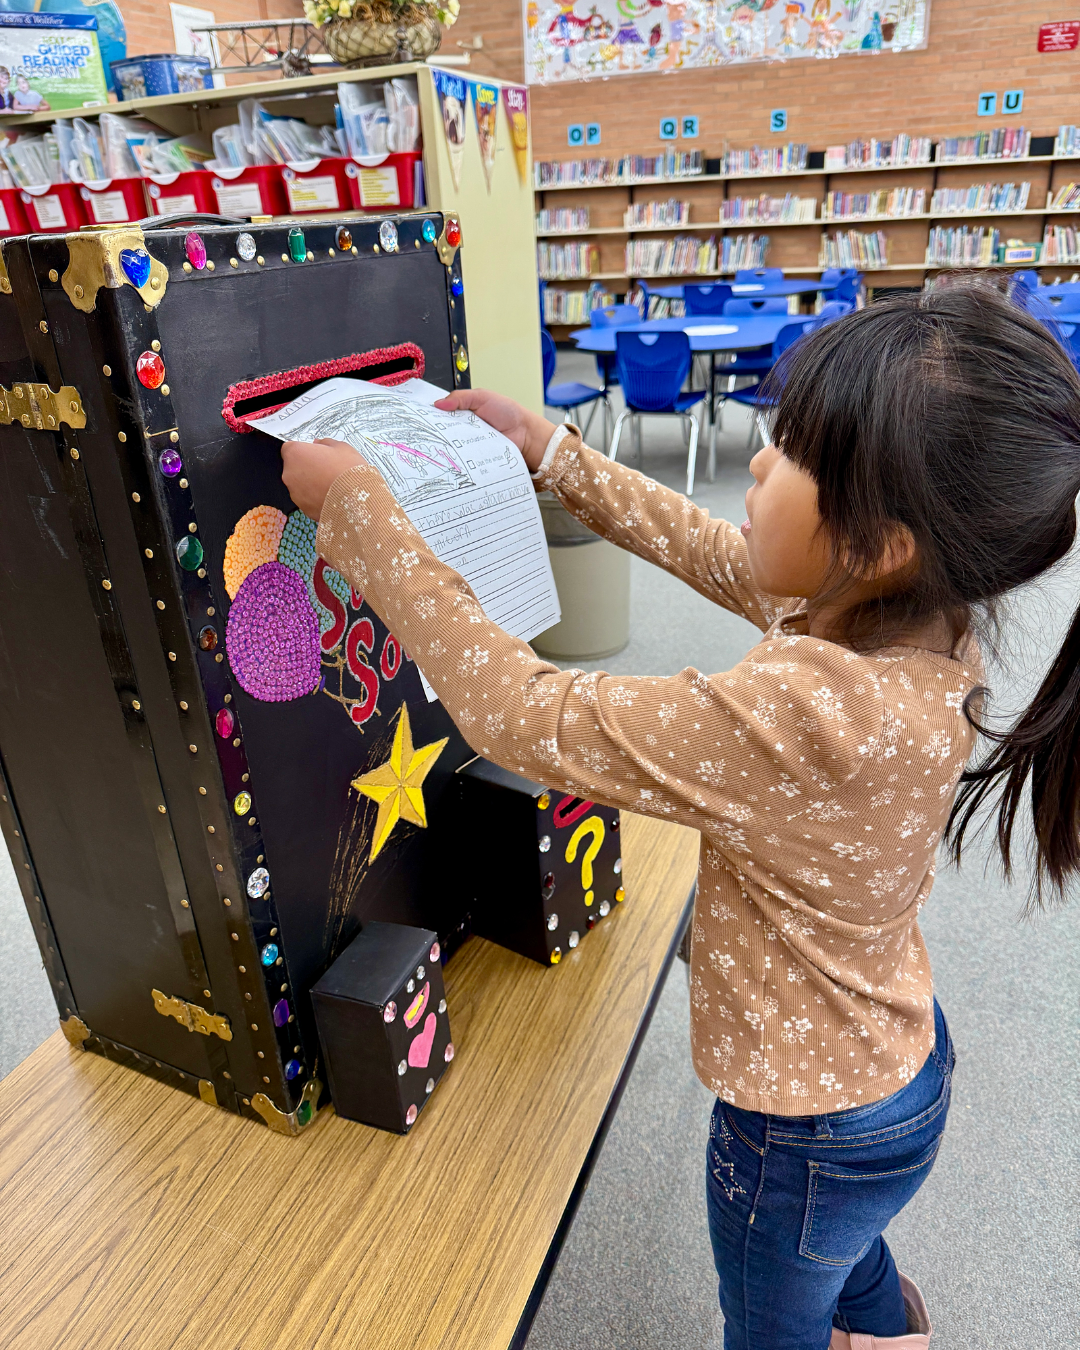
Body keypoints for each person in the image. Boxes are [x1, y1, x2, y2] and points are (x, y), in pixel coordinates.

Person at [280, 283, 1080, 1349]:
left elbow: (528, 714)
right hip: (899, 1067)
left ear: (879, 542)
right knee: (841, 1249)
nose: (755, 464)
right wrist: (552, 452)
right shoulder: (912, 623)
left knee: (769, 1311)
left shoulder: (812, 714)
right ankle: (892, 1333)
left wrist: (361, 515)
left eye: (788, 454)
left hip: (797, 1128)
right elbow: (717, 550)